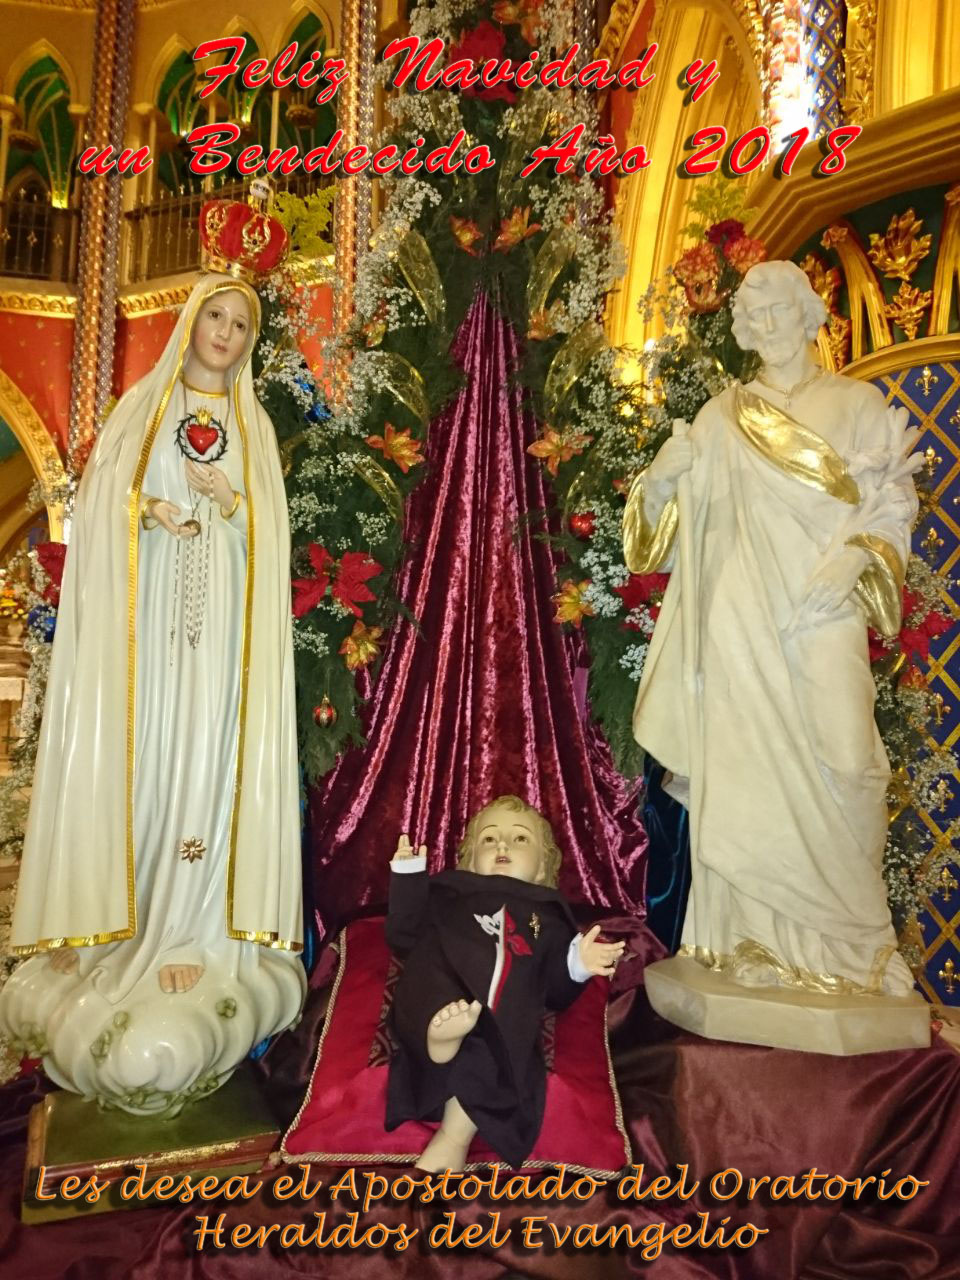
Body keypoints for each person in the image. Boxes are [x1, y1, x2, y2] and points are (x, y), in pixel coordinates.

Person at [0, 244, 305, 1114]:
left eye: (241, 324)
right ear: (191, 322)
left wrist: (231, 505)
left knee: (204, 773)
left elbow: (270, 537)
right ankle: (123, 930)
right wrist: (150, 510)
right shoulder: (144, 406)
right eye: (216, 316)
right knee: (145, 771)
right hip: (146, 649)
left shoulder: (252, 425)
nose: (226, 333)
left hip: (219, 652)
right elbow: (97, 507)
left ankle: (192, 934)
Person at [623, 259, 922, 1002]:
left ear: (810, 314)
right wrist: (661, 480)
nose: (766, 326)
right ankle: (747, 943)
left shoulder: (857, 403)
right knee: (747, 776)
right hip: (740, 620)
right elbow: (663, 542)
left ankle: (862, 947)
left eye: (778, 310)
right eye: (751, 317)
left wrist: (855, 558)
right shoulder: (720, 417)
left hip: (823, 611)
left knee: (851, 763)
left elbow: (893, 500)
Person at [385, 794, 624, 1171]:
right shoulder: (448, 893)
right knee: (430, 978)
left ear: (542, 867)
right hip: (440, 977)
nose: (502, 846)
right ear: (469, 860)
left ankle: (453, 1138)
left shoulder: (546, 918)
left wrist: (578, 964)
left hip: (495, 1007)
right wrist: (408, 878)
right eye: (489, 838)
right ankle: (436, 1034)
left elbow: (553, 990)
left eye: (520, 839)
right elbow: (404, 935)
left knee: (498, 1034)